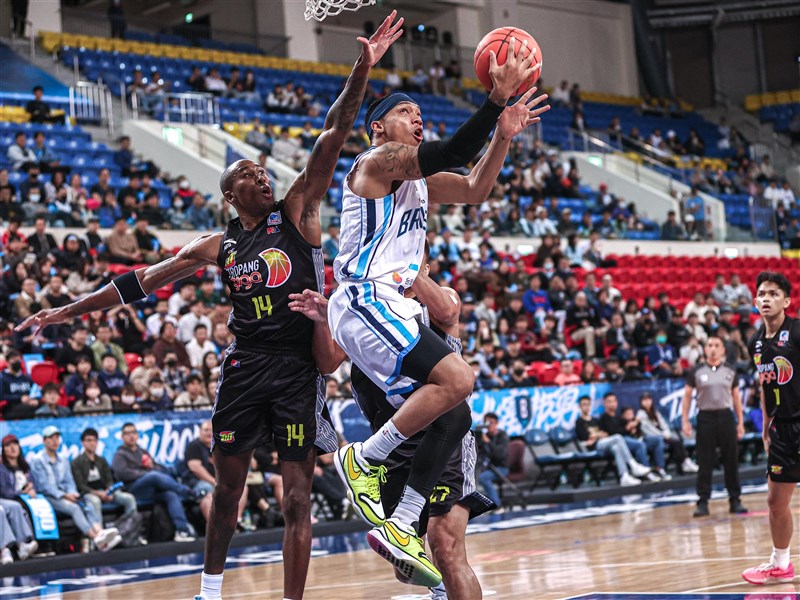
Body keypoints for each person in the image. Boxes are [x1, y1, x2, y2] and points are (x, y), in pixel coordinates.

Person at [16, 14, 403, 600]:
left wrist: (363, 66)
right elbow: (137, 283)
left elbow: (333, 133)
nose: (261, 175)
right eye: (248, 174)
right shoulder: (218, 245)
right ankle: (210, 590)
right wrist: (63, 311)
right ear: (230, 195)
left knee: (297, 497)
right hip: (244, 368)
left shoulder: (296, 210)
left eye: (261, 169)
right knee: (227, 493)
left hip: (298, 369)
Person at [327, 37, 547, 585]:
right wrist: (493, 101)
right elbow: (451, 154)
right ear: (378, 127)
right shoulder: (375, 163)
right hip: (364, 298)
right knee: (458, 375)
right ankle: (364, 460)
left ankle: (402, 522)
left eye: (421, 114)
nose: (418, 120)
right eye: (407, 113)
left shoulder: (418, 183)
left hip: (392, 308)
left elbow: (474, 187)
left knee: (455, 412)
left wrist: (501, 137)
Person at [289, 239, 494, 598]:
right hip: (396, 450)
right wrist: (326, 320)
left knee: (444, 546)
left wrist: (409, 271)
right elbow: (328, 363)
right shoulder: (368, 316)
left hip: (444, 440)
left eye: (414, 262)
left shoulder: (438, 299)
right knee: (409, 567)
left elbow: (447, 312)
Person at [740, 272, 800, 584]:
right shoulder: (755, 342)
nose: (766, 298)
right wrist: (766, 428)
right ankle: (781, 563)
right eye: (762, 293)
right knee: (775, 502)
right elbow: (766, 387)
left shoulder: (798, 332)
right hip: (781, 429)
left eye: (774, 293)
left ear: (787, 301)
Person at [682, 334, 746, 517]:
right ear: (705, 349)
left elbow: (736, 398)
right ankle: (702, 502)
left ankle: (735, 500)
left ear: (723, 349)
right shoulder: (696, 371)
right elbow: (687, 397)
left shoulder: (730, 370)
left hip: (726, 417)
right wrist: (685, 421)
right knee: (705, 461)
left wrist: (740, 422)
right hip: (705, 418)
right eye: (709, 345)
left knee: (731, 460)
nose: (712, 348)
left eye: (716, 345)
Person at [29, 426, 122, 551]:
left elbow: (69, 480)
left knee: (87, 503)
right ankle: (95, 538)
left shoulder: (63, 458)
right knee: (74, 508)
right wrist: (64, 495)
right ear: (44, 441)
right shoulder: (37, 460)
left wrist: (73, 493)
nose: (55, 441)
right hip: (49, 497)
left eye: (57, 438)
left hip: (67, 494)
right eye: (51, 438)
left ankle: (100, 533)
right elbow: (44, 486)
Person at [111, 423, 195, 542]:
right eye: (127, 433)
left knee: (170, 495)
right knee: (153, 476)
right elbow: (123, 474)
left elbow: (158, 468)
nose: (131, 436)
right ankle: (187, 491)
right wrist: (146, 473)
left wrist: (152, 467)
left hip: (151, 489)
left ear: (137, 435)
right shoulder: (119, 455)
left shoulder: (143, 452)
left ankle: (182, 530)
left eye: (133, 432)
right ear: (122, 437)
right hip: (134, 489)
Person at [574, 395, 652, 486]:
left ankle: (624, 476)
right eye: (584, 405)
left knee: (616, 448)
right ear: (579, 406)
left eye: (588, 404)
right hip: (593, 446)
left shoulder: (595, 420)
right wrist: (597, 435)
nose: (586, 407)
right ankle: (633, 464)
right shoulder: (579, 422)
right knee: (618, 437)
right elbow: (584, 437)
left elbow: (605, 433)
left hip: (603, 443)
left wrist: (595, 435)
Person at [71, 428, 138, 520]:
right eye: (89, 440)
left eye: (94, 440)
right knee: (95, 501)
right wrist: (98, 493)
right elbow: (80, 485)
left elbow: (109, 478)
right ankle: (100, 532)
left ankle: (132, 527)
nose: (92, 443)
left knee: (128, 498)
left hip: (106, 491)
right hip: (88, 494)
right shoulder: (76, 462)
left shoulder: (101, 460)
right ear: (83, 443)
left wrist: (108, 491)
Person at [0, 435, 39, 562]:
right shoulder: (2, 468)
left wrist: (31, 490)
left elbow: (33, 484)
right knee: (3, 509)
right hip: (9, 498)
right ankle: (4, 550)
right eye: (8, 446)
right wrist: (21, 492)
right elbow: (4, 491)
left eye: (15, 444)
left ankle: (22, 546)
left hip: (20, 500)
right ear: (3, 450)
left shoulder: (25, 466)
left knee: (17, 507)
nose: (12, 448)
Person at [638, 392, 697, 475]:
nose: (647, 402)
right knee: (675, 442)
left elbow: (663, 424)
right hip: (651, 438)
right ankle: (684, 462)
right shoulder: (641, 414)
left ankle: (685, 462)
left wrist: (666, 432)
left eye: (649, 400)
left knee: (677, 441)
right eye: (644, 400)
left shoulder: (655, 412)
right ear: (641, 402)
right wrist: (662, 434)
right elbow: (648, 430)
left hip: (662, 436)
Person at [475, 413, 509, 508]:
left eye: (491, 422)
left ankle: (497, 504)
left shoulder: (502, 436)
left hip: (501, 468)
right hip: (486, 467)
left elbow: (500, 454)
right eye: (486, 423)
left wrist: (488, 442)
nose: (489, 425)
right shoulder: (484, 436)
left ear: (496, 423)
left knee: (483, 478)